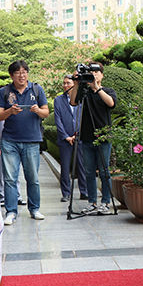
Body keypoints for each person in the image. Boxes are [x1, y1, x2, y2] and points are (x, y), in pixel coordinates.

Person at [0, 60, 49, 222]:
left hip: (32, 140)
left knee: (32, 177)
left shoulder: (37, 90)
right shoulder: (4, 92)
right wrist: (10, 111)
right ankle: (11, 212)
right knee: (10, 178)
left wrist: (38, 110)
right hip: (10, 140)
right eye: (18, 72)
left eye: (24, 71)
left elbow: (46, 112)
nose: (22, 75)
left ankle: (35, 209)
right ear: (12, 75)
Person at [71, 62, 117, 215]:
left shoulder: (107, 91)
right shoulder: (84, 92)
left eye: (97, 72)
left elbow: (111, 103)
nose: (94, 74)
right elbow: (73, 102)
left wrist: (97, 88)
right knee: (89, 172)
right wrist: (77, 84)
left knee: (104, 172)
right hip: (86, 137)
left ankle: (105, 202)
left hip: (103, 137)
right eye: (91, 72)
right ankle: (92, 202)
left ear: (102, 75)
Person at [54, 74, 87, 202]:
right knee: (65, 167)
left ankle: (84, 192)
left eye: (68, 83)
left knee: (82, 166)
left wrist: (77, 134)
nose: (66, 85)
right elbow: (58, 120)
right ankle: (66, 193)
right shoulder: (58, 100)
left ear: (75, 84)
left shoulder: (82, 99)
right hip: (64, 139)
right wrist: (66, 137)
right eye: (64, 83)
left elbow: (84, 118)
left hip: (79, 137)